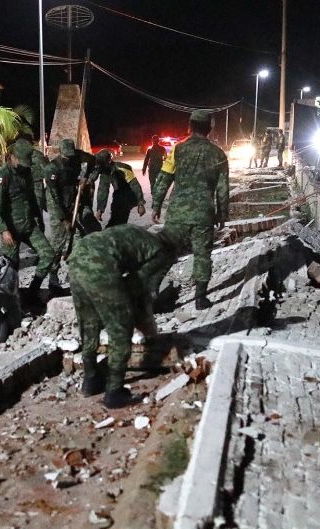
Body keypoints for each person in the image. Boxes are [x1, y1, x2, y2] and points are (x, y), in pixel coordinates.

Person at [69, 224, 178, 408]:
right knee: (121, 328)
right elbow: (136, 286)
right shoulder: (160, 253)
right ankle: (114, 392)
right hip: (100, 265)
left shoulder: (139, 234)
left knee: (89, 322)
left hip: (77, 259)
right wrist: (137, 316)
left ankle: (90, 380)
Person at [151, 110, 230, 310]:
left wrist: (157, 205)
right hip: (204, 213)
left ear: (190, 126)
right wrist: (222, 214)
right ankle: (200, 299)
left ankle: (151, 293)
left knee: (167, 252)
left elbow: (164, 178)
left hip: (178, 212)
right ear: (210, 128)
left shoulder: (178, 149)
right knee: (202, 255)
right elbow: (223, 188)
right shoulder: (218, 154)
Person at [0, 139, 55, 303]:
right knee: (10, 268)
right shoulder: (2, 177)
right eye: (21, 161)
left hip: (29, 226)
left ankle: (33, 291)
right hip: (11, 230)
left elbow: (32, 198)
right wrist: (3, 230)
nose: (23, 165)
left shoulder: (26, 172)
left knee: (48, 255)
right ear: (12, 157)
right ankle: (9, 300)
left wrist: (38, 219)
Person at [44, 138, 101, 287]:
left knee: (78, 239)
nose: (69, 159)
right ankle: (53, 275)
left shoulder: (79, 156)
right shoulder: (51, 169)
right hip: (58, 208)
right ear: (60, 153)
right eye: (66, 156)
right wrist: (64, 219)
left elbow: (96, 164)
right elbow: (53, 199)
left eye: (71, 155)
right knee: (58, 243)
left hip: (74, 203)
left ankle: (74, 272)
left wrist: (87, 179)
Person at [95, 149, 146, 228]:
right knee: (115, 220)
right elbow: (103, 190)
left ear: (108, 161)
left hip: (128, 195)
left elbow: (135, 185)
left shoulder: (122, 168)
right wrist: (100, 209)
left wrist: (141, 204)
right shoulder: (104, 172)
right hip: (117, 196)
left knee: (119, 222)